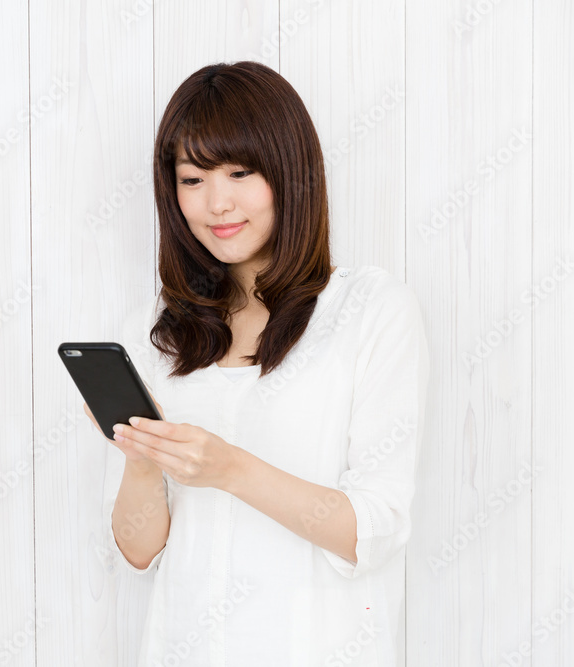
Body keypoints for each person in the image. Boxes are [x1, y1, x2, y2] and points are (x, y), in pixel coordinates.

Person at [84, 61, 430, 666]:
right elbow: (139, 554)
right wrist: (141, 459)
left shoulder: (370, 310)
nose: (217, 203)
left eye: (240, 172)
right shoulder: (157, 331)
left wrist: (230, 469)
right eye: (192, 179)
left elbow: (373, 530)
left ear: (289, 171)